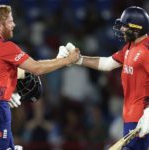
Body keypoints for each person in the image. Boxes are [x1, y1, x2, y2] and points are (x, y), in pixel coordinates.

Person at [64, 6, 149, 150]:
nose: (122, 30)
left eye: (125, 27)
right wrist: (78, 59)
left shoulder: (146, 50)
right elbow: (107, 63)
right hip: (132, 117)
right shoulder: (130, 47)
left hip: (142, 118)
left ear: (137, 29)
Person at [0, 5, 80, 150]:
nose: (14, 24)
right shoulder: (6, 47)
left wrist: (56, 60)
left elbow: (21, 71)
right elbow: (36, 68)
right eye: (10, 21)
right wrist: (67, 60)